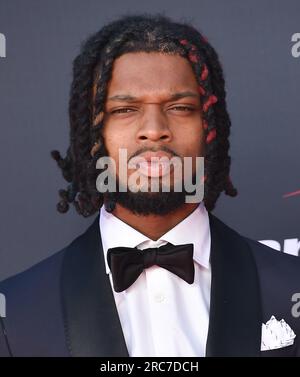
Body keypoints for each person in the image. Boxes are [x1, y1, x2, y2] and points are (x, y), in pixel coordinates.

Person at [0, 14, 299, 357]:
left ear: (211, 129)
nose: (154, 129)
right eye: (125, 109)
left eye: (180, 107)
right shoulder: (15, 315)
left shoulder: (291, 287)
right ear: (92, 136)